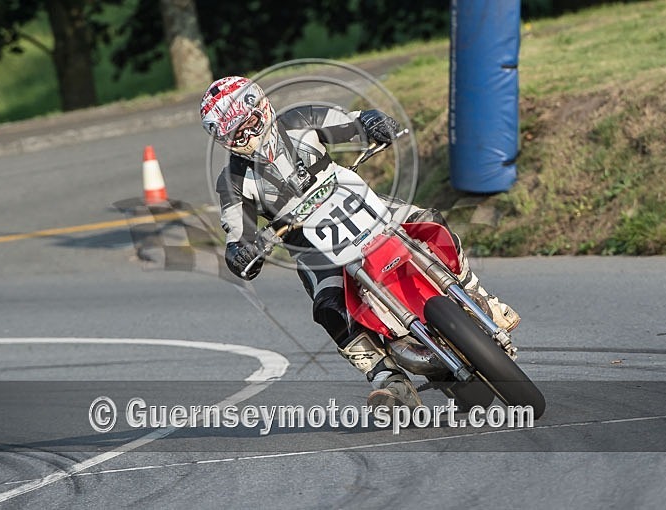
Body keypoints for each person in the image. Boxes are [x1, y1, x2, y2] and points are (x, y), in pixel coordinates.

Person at [200, 76, 520, 409]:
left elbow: (350, 121)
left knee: (429, 221)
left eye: (250, 123)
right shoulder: (232, 181)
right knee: (329, 306)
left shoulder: (299, 120)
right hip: (308, 245)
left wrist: (372, 122)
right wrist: (240, 252)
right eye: (236, 134)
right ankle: (388, 379)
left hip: (356, 202)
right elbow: (236, 230)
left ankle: (482, 297)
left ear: (262, 107)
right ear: (223, 140)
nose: (248, 136)